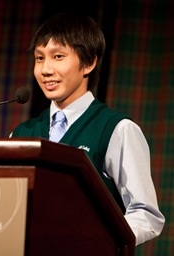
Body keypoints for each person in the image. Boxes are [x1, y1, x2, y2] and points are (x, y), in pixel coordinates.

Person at [11, 13, 165, 246]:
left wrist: (94, 241)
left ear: (89, 62)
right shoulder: (21, 134)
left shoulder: (117, 129)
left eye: (58, 56)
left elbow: (146, 215)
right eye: (39, 58)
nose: (45, 69)